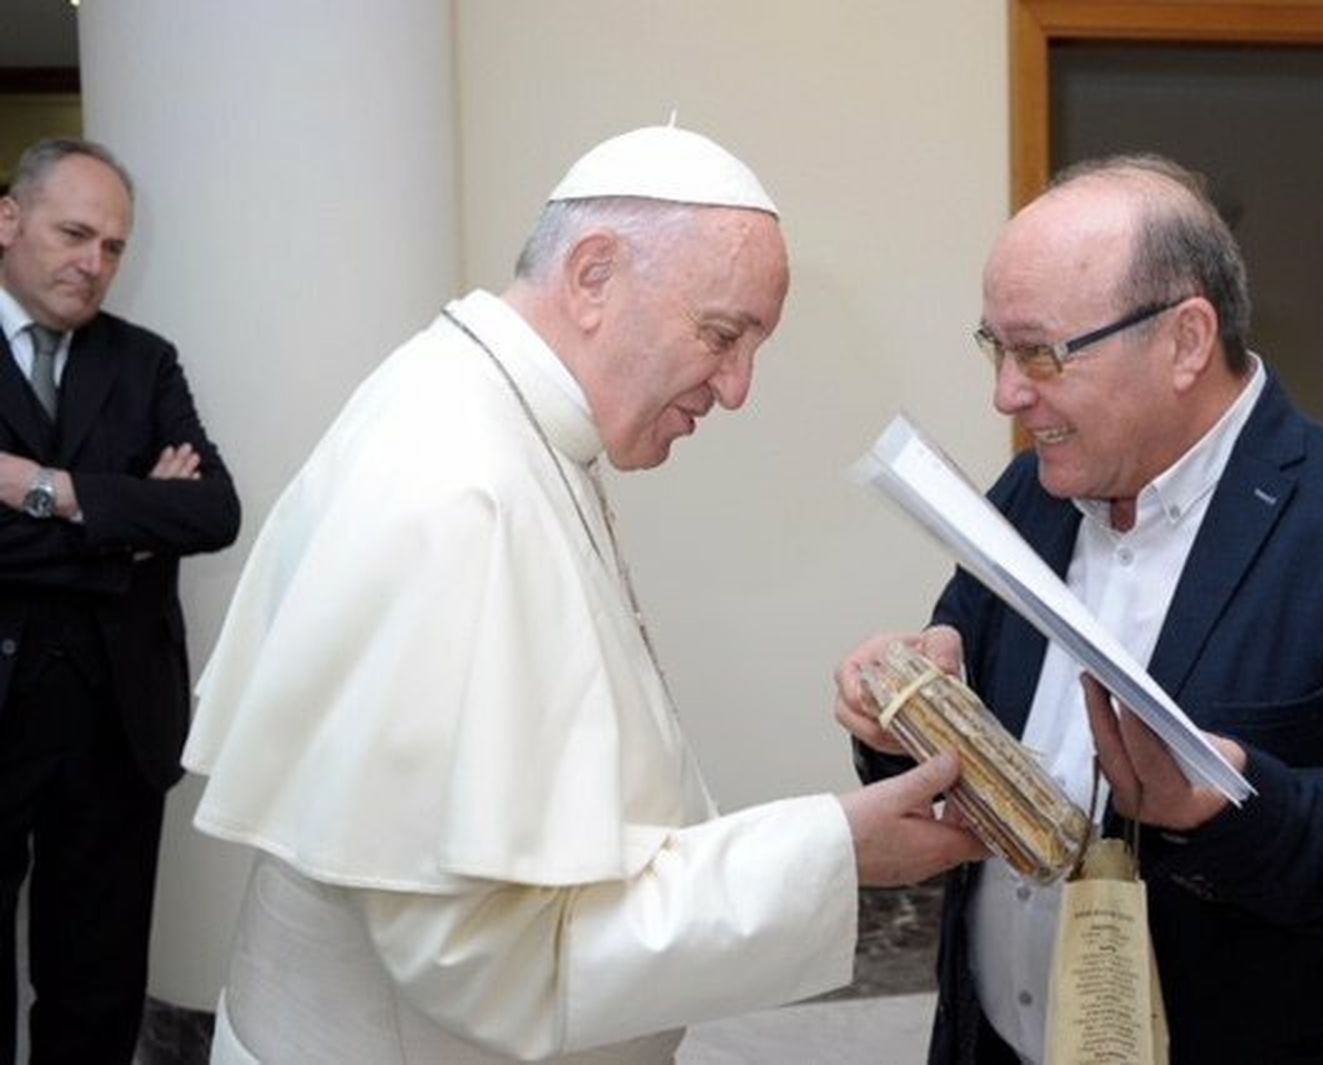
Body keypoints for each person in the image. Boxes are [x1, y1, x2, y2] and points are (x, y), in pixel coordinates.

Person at [181, 124, 987, 1064]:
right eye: (722, 335)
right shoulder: (459, 483)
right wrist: (834, 854)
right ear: (594, 274)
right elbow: (487, 960)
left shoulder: (490, 412)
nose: (737, 389)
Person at [835, 154, 1323, 1064]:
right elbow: (970, 684)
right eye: (995, 347)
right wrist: (902, 713)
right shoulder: (1031, 494)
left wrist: (1233, 806)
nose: (1006, 392)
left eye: (1041, 352)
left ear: (1185, 339)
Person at [0, 137, 241, 1063]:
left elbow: (213, 509)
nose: (93, 262)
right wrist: (130, 524)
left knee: (95, 988)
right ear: (11, 220)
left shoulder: (144, 361)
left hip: (114, 724)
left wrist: (49, 490)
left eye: (112, 246)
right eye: (74, 233)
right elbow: (167, 515)